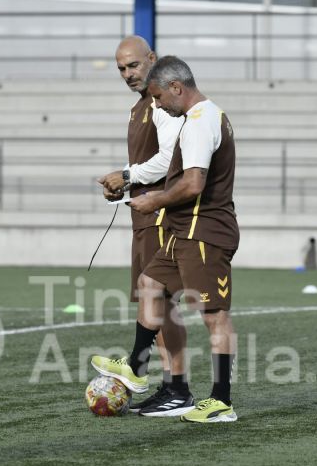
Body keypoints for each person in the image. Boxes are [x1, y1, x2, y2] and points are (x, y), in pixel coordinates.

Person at [101, 55, 240, 423]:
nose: (158, 105)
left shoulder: (198, 122)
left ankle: (221, 401)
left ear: (177, 88)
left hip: (204, 232)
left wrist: (153, 200)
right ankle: (135, 366)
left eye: (160, 97)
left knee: (215, 316)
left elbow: (194, 184)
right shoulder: (209, 115)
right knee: (150, 284)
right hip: (185, 232)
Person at [92, 36, 191, 417]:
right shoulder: (141, 108)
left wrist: (127, 175)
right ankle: (171, 386)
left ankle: (174, 386)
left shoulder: (163, 103)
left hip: (161, 216)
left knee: (162, 301)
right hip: (143, 215)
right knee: (158, 303)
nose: (127, 74)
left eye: (133, 65)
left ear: (152, 59)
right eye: (121, 68)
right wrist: (125, 182)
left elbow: (170, 160)